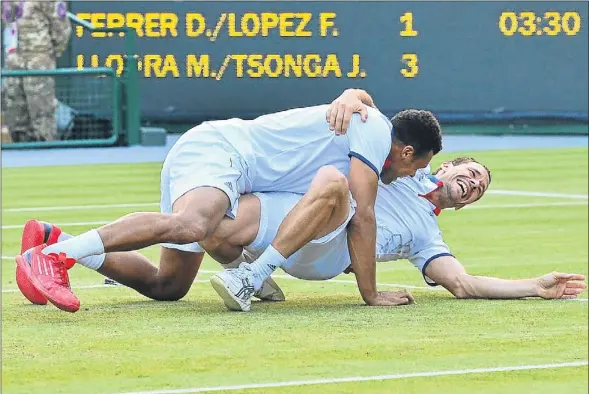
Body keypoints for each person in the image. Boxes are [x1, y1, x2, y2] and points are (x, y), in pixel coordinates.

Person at [15, 89, 443, 313]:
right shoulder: (375, 135)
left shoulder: (366, 120)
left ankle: (53, 238)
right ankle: (54, 256)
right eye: (415, 167)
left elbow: (361, 97)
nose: (408, 177)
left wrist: (355, 92)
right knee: (193, 226)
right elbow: (363, 218)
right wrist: (370, 294)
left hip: (229, 168)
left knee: (168, 286)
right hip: (223, 152)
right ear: (406, 152)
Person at [204, 157, 586, 311]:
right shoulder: (400, 161)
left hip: (327, 252)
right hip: (301, 217)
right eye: (470, 174)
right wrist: (352, 96)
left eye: (478, 188)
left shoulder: (427, 235)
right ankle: (259, 277)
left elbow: (464, 284)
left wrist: (534, 286)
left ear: (466, 205)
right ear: (447, 165)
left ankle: (250, 278)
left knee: (334, 183)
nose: (472, 184)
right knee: (209, 230)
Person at [2, 0, 71, 142]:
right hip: (14, 58)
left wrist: (48, 54)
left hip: (38, 58)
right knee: (14, 109)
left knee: (41, 109)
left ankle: (45, 149)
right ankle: (21, 147)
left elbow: (62, 27)